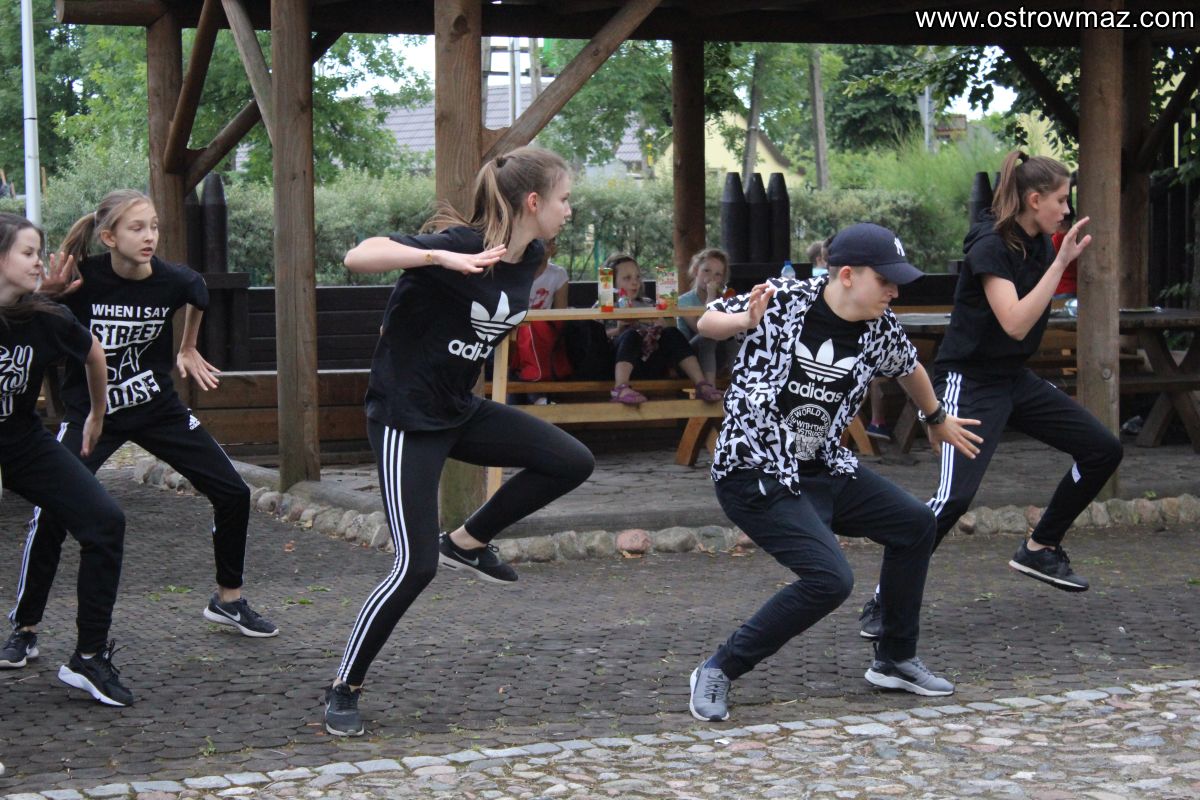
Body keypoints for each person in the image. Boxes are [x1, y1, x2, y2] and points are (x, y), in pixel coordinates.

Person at [326, 146, 595, 737]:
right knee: (414, 567)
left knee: (570, 461)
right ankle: (344, 685)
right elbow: (358, 255)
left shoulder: (533, 256)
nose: (569, 209)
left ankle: (469, 542)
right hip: (405, 419)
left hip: (457, 408)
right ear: (533, 202)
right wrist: (436, 258)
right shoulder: (461, 245)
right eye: (564, 198)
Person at [687, 222, 983, 722]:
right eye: (885, 280)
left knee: (915, 524)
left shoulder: (879, 327)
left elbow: (910, 367)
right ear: (846, 275)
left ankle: (894, 659)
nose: (894, 291)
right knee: (830, 580)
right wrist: (744, 320)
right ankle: (718, 668)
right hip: (755, 470)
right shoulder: (784, 298)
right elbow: (707, 321)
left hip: (822, 466)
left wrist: (935, 417)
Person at [7, 190, 277, 685]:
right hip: (94, 415)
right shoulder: (82, 279)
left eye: (153, 226)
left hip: (157, 410)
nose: (150, 236)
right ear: (109, 237)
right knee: (52, 512)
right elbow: (37, 315)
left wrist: (187, 347)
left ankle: (228, 599)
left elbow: (199, 292)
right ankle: (25, 628)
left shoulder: (173, 280)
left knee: (233, 492)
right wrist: (50, 292)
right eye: (137, 228)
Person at [859, 151, 1122, 640]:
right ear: (1034, 199)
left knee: (1102, 449)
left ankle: (1041, 547)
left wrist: (1056, 257)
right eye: (1061, 200)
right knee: (952, 499)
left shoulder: (1037, 240)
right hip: (971, 382)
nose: (1066, 210)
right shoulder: (990, 245)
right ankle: (884, 600)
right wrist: (1061, 262)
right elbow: (1015, 321)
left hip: (1013, 379)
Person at [0, 213, 131, 705]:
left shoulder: (46, 317)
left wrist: (97, 413)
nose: (39, 262)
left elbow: (93, 353)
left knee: (105, 521)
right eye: (28, 253)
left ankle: (89, 657)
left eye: (39, 252)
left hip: (22, 443)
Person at [605, 254, 723, 405]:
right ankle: (620, 388)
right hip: (620, 362)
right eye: (627, 278)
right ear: (612, 282)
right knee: (631, 335)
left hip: (652, 361)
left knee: (671, 332)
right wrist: (618, 331)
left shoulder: (649, 303)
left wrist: (662, 325)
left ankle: (702, 384)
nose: (634, 282)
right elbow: (598, 340)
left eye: (638, 277)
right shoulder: (605, 305)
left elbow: (670, 334)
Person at [676, 248, 738, 385]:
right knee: (708, 335)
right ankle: (710, 387)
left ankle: (739, 384)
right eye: (706, 270)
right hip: (690, 359)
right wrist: (710, 297)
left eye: (717, 274)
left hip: (717, 358)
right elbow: (701, 327)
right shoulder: (683, 301)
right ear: (696, 271)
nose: (711, 277)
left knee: (733, 336)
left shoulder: (723, 300)